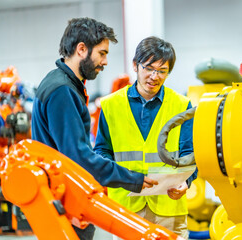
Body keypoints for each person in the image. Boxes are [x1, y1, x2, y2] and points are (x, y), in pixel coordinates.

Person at [31, 18, 157, 240]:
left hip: (62, 201)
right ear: (81, 49)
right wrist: (132, 179)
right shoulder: (63, 90)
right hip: (65, 205)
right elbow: (79, 157)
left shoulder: (64, 84)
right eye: (102, 53)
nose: (105, 61)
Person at [94, 36, 198, 239]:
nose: (154, 76)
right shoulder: (110, 105)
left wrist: (187, 182)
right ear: (135, 65)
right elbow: (102, 152)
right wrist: (123, 178)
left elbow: (190, 154)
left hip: (169, 207)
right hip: (126, 208)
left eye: (162, 71)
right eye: (149, 68)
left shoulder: (182, 105)